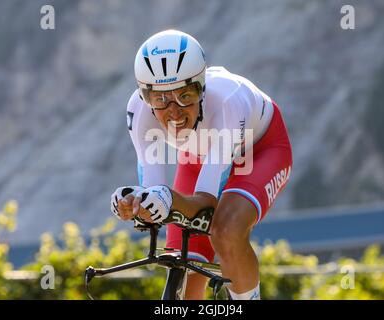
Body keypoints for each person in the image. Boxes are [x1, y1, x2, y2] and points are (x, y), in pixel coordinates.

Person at [110, 29, 292, 300]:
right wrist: (135, 203)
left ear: (201, 86)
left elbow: (207, 202)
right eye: (160, 99)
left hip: (259, 151)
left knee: (225, 230)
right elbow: (154, 192)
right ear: (145, 96)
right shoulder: (138, 112)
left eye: (185, 95)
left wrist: (167, 198)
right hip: (202, 157)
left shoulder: (228, 102)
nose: (173, 111)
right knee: (181, 261)